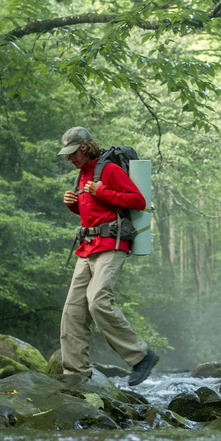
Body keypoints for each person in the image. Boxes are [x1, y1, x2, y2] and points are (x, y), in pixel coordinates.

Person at [57, 126, 159, 386]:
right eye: (67, 154)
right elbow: (90, 214)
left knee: (97, 301)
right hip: (86, 247)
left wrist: (101, 191)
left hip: (111, 244)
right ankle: (75, 375)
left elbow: (138, 201)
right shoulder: (80, 176)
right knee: (72, 312)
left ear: (85, 147)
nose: (70, 158)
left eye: (73, 153)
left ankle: (141, 356)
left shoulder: (110, 170)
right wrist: (72, 204)